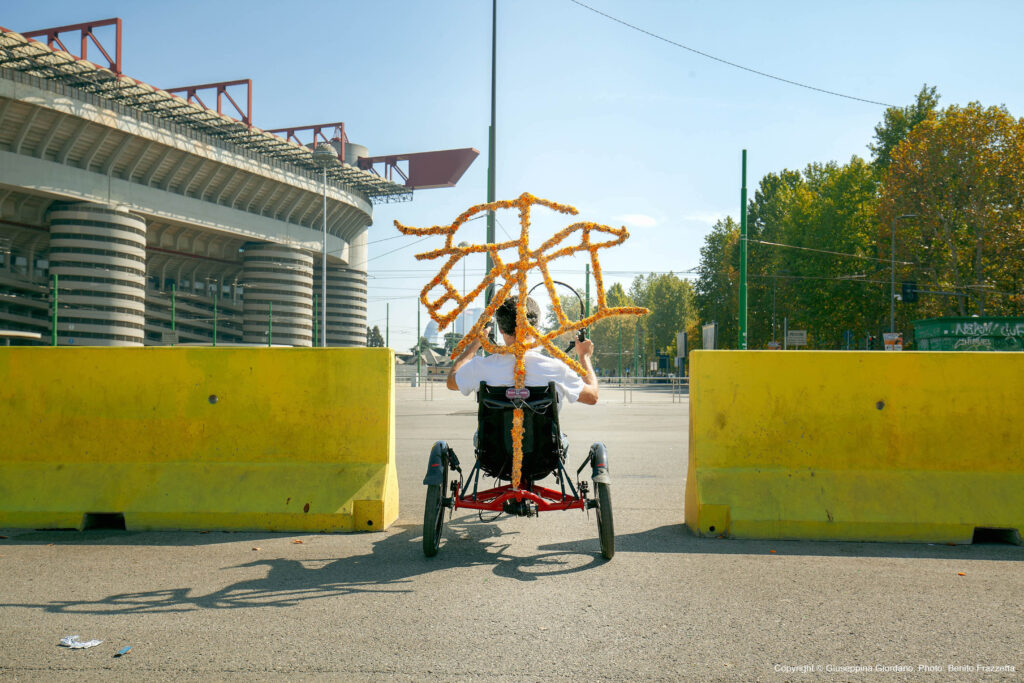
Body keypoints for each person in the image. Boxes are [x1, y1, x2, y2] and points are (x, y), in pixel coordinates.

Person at [447, 295, 598, 406]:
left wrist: (473, 347)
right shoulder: (556, 369)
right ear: (536, 328)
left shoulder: (480, 367)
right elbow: (592, 396)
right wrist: (584, 357)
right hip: (544, 448)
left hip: (494, 448)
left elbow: (451, 381)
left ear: (500, 329)